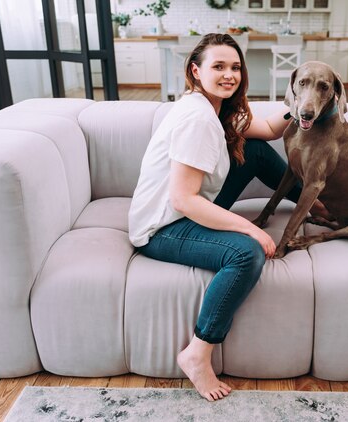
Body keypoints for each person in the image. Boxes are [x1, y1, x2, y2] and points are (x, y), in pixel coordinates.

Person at [128, 33, 328, 401]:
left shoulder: (216, 109)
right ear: (195, 71)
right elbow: (184, 200)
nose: (229, 75)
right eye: (218, 66)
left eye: (235, 67)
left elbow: (267, 130)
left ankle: (320, 206)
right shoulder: (197, 119)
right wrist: (249, 228)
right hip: (163, 227)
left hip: (183, 208)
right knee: (244, 253)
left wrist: (302, 103)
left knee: (254, 150)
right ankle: (197, 353)